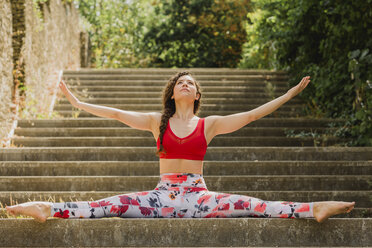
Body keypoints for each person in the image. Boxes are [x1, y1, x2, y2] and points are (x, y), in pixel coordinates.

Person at [6, 71, 355, 223]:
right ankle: (47, 209)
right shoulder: (155, 122)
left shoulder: (209, 124)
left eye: (191, 83)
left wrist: (290, 94)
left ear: (197, 95)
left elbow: (250, 116)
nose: (186, 85)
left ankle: (315, 209)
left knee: (255, 205)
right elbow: (114, 113)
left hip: (201, 198)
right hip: (159, 198)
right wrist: (79, 103)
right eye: (180, 82)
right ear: (173, 93)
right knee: (110, 204)